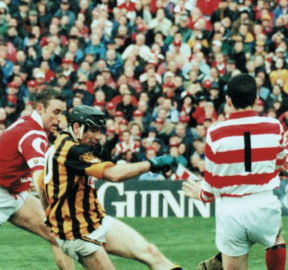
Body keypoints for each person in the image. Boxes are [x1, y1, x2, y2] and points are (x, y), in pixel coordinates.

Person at [39, 105, 182, 270]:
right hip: (79, 233)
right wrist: (152, 164)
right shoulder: (71, 150)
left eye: (100, 130)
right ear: (77, 127)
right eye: (93, 130)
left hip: (96, 220)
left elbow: (42, 186)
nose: (99, 136)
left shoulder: (60, 142)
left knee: (151, 252)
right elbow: (114, 174)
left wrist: (49, 218)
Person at [183, 73, 287, 270]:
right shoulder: (275, 126)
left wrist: (202, 195)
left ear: (228, 100)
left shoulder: (215, 132)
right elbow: (280, 163)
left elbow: (212, 180)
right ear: (256, 99)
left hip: (230, 209)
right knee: (275, 238)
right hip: (264, 201)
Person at [0, 88, 73, 270]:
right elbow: (41, 182)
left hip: (14, 192)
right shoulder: (34, 134)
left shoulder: (29, 123)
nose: (59, 119)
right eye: (55, 112)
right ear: (40, 108)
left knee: (58, 234)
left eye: (62, 113)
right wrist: (51, 207)